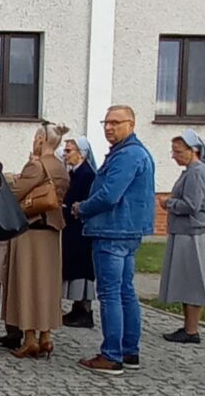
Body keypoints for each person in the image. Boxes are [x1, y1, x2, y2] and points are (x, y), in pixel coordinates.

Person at [74, 105, 155, 376]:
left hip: (113, 231)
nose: (109, 127)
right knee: (124, 291)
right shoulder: (131, 152)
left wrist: (82, 208)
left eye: (116, 123)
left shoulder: (127, 155)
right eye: (106, 122)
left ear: (131, 124)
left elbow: (109, 195)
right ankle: (129, 350)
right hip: (126, 230)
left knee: (110, 294)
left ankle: (112, 355)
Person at [4, 123, 71, 360]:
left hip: (31, 230)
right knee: (47, 285)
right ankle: (46, 336)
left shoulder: (36, 164)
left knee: (28, 282)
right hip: (52, 230)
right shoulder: (61, 167)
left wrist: (15, 178)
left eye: (35, 137)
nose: (33, 140)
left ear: (42, 140)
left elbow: (15, 194)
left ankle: (30, 338)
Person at [158, 129, 205, 344]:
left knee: (193, 282)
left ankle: (191, 330)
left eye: (178, 152)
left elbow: (192, 205)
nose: (175, 156)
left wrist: (168, 203)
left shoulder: (197, 173)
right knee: (187, 281)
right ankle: (188, 327)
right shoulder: (192, 171)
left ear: (193, 151)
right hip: (187, 232)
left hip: (193, 233)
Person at [62, 136, 98, 328]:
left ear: (81, 154)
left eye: (69, 151)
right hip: (73, 227)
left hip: (81, 229)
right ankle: (77, 308)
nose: (65, 155)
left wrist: (68, 207)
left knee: (82, 269)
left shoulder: (87, 174)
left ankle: (84, 310)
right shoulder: (76, 172)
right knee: (75, 266)